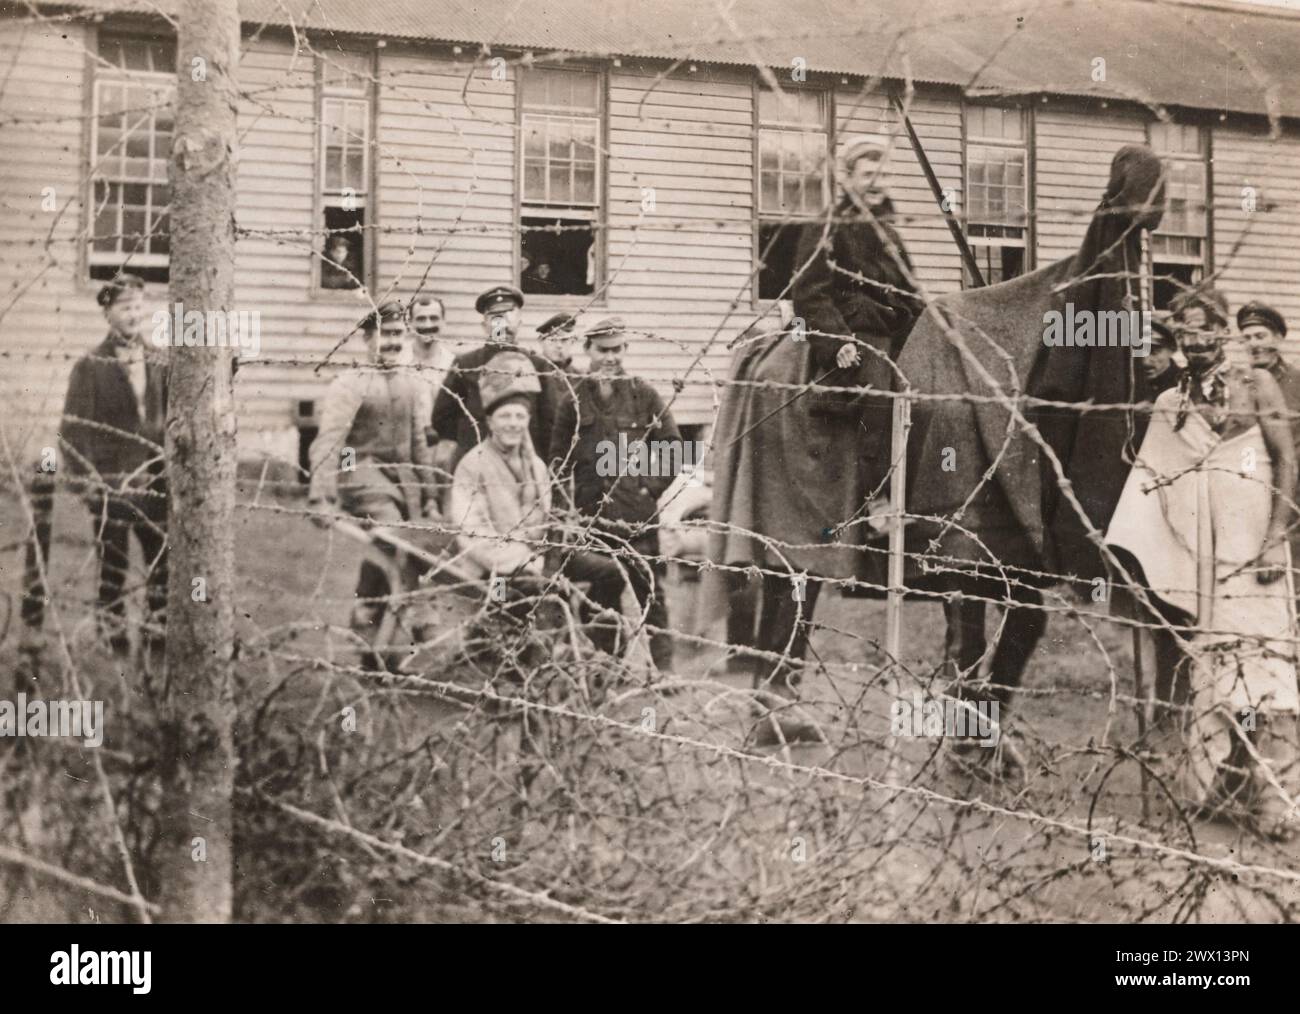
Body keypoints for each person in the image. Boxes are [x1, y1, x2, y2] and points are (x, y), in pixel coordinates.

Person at [1106, 291, 1299, 839]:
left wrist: (1272, 539)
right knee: (1213, 666)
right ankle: (1214, 790)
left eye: (1206, 329)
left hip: (1254, 546)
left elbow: (1286, 461)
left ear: (1223, 333)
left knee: (1266, 667)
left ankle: (1279, 801)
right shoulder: (1171, 402)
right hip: (1204, 555)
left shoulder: (1255, 384)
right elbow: (1152, 483)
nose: (1195, 339)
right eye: (1185, 331)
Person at [449, 351, 625, 655]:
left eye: (520, 416)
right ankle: (545, 660)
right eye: (505, 416)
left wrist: (562, 538)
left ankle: (600, 656)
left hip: (540, 557)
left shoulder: (536, 465)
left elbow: (549, 518)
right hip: (497, 570)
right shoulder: (472, 465)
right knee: (544, 592)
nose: (513, 424)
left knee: (610, 572)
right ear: (490, 421)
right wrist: (524, 560)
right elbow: (472, 531)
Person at [308, 300, 441, 667]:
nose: (392, 342)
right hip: (359, 472)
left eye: (398, 334)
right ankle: (419, 612)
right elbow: (330, 440)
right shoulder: (350, 383)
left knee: (400, 551)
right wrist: (321, 495)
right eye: (384, 334)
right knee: (395, 539)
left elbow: (419, 446)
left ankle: (377, 640)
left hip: (400, 483)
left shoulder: (413, 383)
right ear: (367, 339)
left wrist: (431, 497)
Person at [550, 317, 681, 671]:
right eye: (603, 350)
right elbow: (558, 464)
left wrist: (649, 487)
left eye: (617, 349)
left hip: (636, 517)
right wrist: (567, 513)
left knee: (649, 593)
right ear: (588, 350)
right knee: (602, 598)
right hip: (592, 520)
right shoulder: (572, 402)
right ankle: (605, 669)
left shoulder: (644, 395)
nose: (610, 357)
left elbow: (672, 446)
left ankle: (664, 672)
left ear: (626, 350)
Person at [55, 272, 169, 656]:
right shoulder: (90, 366)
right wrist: (89, 486)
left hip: (155, 484)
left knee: (162, 564)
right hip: (111, 486)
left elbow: (170, 421)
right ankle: (114, 638)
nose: (133, 314)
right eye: (124, 307)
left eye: (139, 306)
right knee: (113, 567)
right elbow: (72, 432)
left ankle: (158, 633)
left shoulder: (160, 361)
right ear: (107, 313)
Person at [431, 284, 554, 476]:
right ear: (484, 325)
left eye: (507, 315)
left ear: (520, 322)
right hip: (477, 469)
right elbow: (441, 418)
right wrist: (468, 442)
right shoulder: (465, 365)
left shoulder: (538, 366)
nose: (501, 324)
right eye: (495, 317)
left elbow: (550, 423)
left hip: (526, 468)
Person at [534, 311, 581, 451]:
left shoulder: (580, 378)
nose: (559, 346)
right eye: (553, 340)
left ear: (573, 341)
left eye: (564, 340)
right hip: (539, 450)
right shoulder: (532, 373)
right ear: (541, 341)